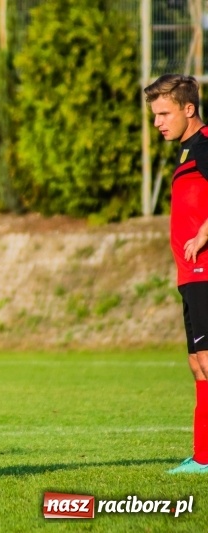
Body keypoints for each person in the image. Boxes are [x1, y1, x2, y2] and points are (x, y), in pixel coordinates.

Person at [145, 74, 208, 475]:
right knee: (198, 364)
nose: (157, 123)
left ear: (189, 109)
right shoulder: (187, 151)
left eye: (164, 114)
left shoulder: (205, 145)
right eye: (154, 115)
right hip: (190, 274)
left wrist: (205, 232)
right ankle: (203, 456)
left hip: (206, 270)